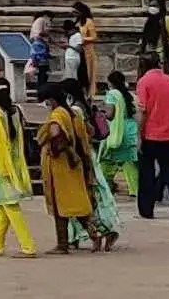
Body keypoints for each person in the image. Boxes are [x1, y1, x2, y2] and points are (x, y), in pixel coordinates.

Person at [39, 86, 104, 253]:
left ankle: (62, 245)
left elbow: (55, 133)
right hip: (73, 166)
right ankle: (94, 235)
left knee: (60, 206)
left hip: (60, 167)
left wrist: (53, 149)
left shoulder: (57, 115)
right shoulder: (71, 113)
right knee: (76, 205)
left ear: (52, 100)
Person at [59, 78, 121, 251]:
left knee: (83, 196)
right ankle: (82, 234)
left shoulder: (76, 110)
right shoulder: (83, 105)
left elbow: (84, 133)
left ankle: (98, 231)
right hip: (87, 154)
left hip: (82, 156)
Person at [0, 78, 38, 258]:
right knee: (1, 203)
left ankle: (28, 246)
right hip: (15, 161)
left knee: (10, 204)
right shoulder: (16, 111)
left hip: (0, 163)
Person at [134, 53, 169, 219]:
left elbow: (143, 111)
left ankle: (146, 210)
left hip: (150, 134)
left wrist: (139, 135)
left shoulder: (144, 82)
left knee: (147, 173)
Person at [98, 70, 139, 198]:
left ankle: (104, 186)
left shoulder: (112, 95)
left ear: (110, 83)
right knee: (129, 162)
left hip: (118, 130)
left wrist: (100, 112)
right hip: (130, 128)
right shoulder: (130, 95)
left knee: (106, 160)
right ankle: (135, 189)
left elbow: (110, 114)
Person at [138, 0, 169, 72]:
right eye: (150, 6)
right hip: (148, 59)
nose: (152, 8)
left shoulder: (167, 20)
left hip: (162, 59)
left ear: (161, 7)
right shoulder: (148, 22)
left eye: (155, 6)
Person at [72, 1, 99, 94]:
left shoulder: (88, 21)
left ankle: (88, 94)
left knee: (86, 75)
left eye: (75, 12)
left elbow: (94, 37)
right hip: (76, 51)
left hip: (86, 52)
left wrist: (82, 39)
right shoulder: (76, 22)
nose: (74, 14)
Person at [27, 12, 52, 98]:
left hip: (37, 52)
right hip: (40, 53)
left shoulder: (37, 22)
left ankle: (40, 94)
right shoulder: (42, 20)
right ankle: (41, 95)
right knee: (43, 75)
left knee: (41, 75)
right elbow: (41, 33)